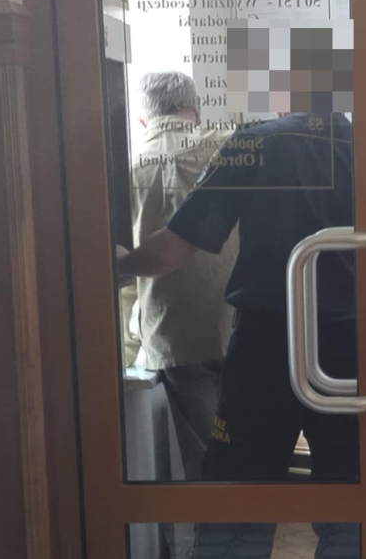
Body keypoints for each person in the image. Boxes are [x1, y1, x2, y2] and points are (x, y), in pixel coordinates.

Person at [116, 111, 359, 559]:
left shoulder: (255, 143)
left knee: (239, 496)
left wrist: (116, 265)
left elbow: (172, 251)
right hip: (356, 344)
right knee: (352, 500)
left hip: (269, 344)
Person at [127, 71, 238, 482]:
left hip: (174, 332)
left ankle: (221, 518)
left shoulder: (126, 166)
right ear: (196, 110)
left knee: (207, 461)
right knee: (253, 444)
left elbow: (127, 261)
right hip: (241, 319)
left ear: (143, 119)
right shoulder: (230, 147)